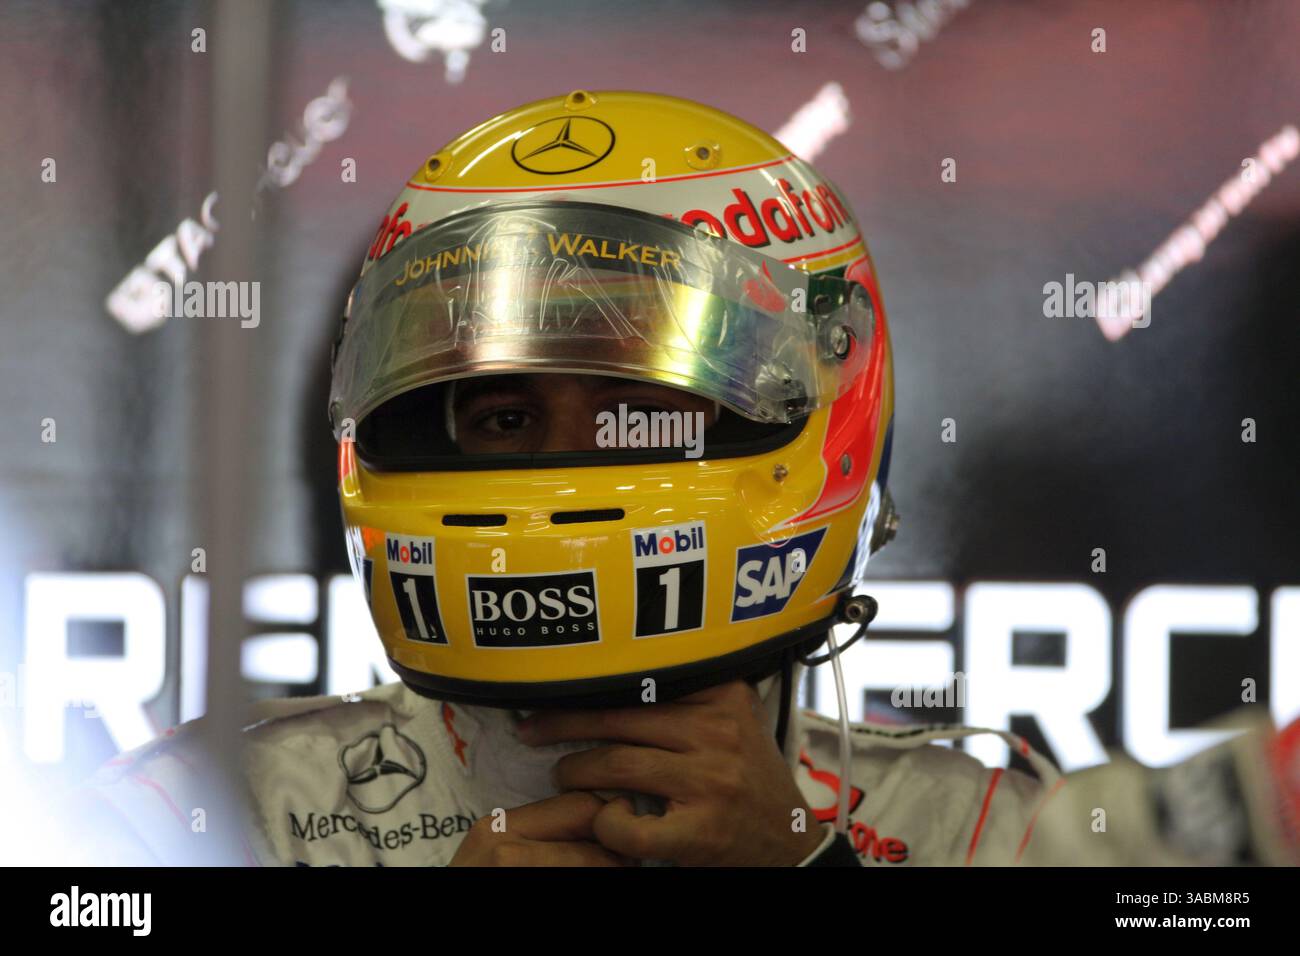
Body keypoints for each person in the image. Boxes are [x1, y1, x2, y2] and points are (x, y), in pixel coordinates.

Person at [67, 91, 1298, 867]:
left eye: (640, 411)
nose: (561, 458)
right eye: (499, 413)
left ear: (817, 416)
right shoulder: (189, 824)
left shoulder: (972, 832)